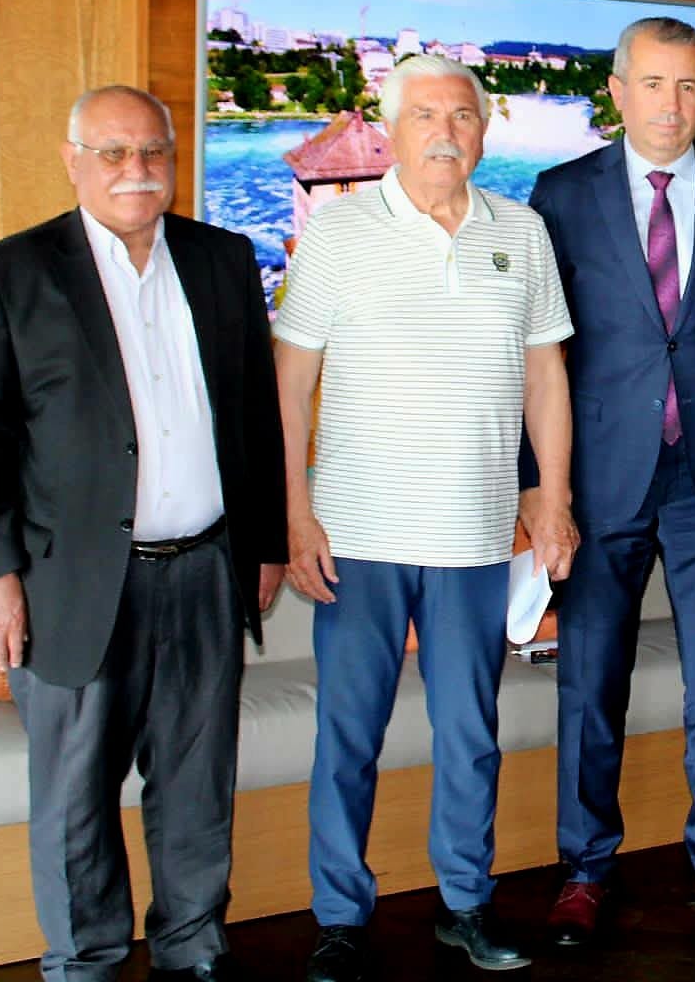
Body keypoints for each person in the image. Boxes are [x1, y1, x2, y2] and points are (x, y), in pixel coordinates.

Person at [0, 85, 287, 982]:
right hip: (74, 583)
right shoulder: (7, 276)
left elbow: (253, 414)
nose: (136, 170)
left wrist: (264, 545)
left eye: (153, 152)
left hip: (206, 570)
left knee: (198, 783)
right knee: (76, 800)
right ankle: (84, 963)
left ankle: (193, 949)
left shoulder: (222, 259)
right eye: (113, 152)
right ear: (73, 160)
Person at [273, 55, 578, 981]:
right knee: (348, 739)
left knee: (471, 734)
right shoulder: (338, 232)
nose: (445, 133)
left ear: (484, 131)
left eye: (462, 116)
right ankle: (339, 917)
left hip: (475, 536)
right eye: (425, 116)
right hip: (356, 535)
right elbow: (290, 381)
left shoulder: (522, 232)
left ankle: (466, 904)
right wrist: (294, 512)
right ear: (393, 128)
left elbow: (545, 375)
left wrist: (553, 498)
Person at [524, 17, 695, 945]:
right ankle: (585, 870)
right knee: (591, 682)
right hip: (599, 480)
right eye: (652, 84)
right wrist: (542, 488)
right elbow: (537, 355)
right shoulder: (561, 195)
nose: (671, 105)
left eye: (687, 86)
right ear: (617, 92)